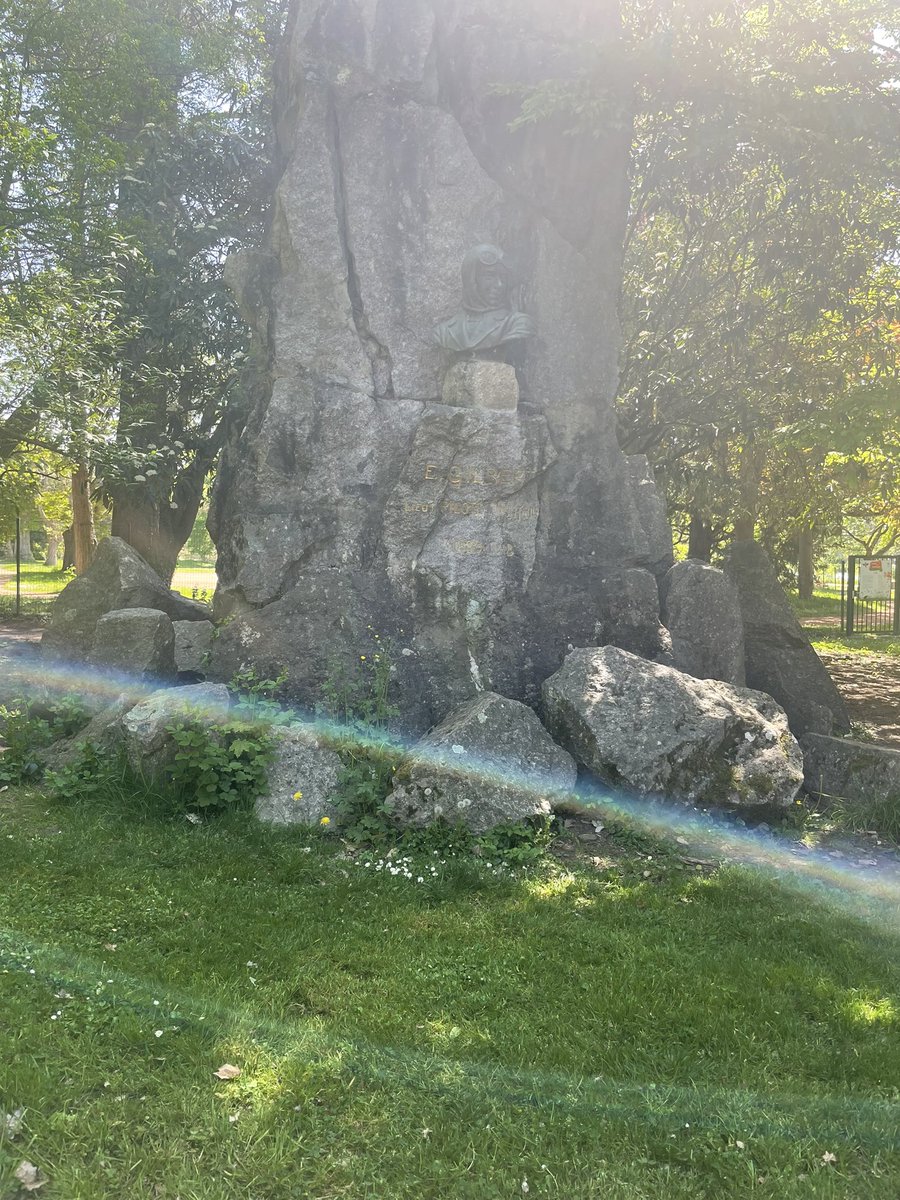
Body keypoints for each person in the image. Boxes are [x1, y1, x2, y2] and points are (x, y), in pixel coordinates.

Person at [433, 244, 535, 354]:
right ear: (471, 279)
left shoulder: (517, 323)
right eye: (490, 276)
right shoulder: (443, 333)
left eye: (503, 277)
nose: (500, 284)